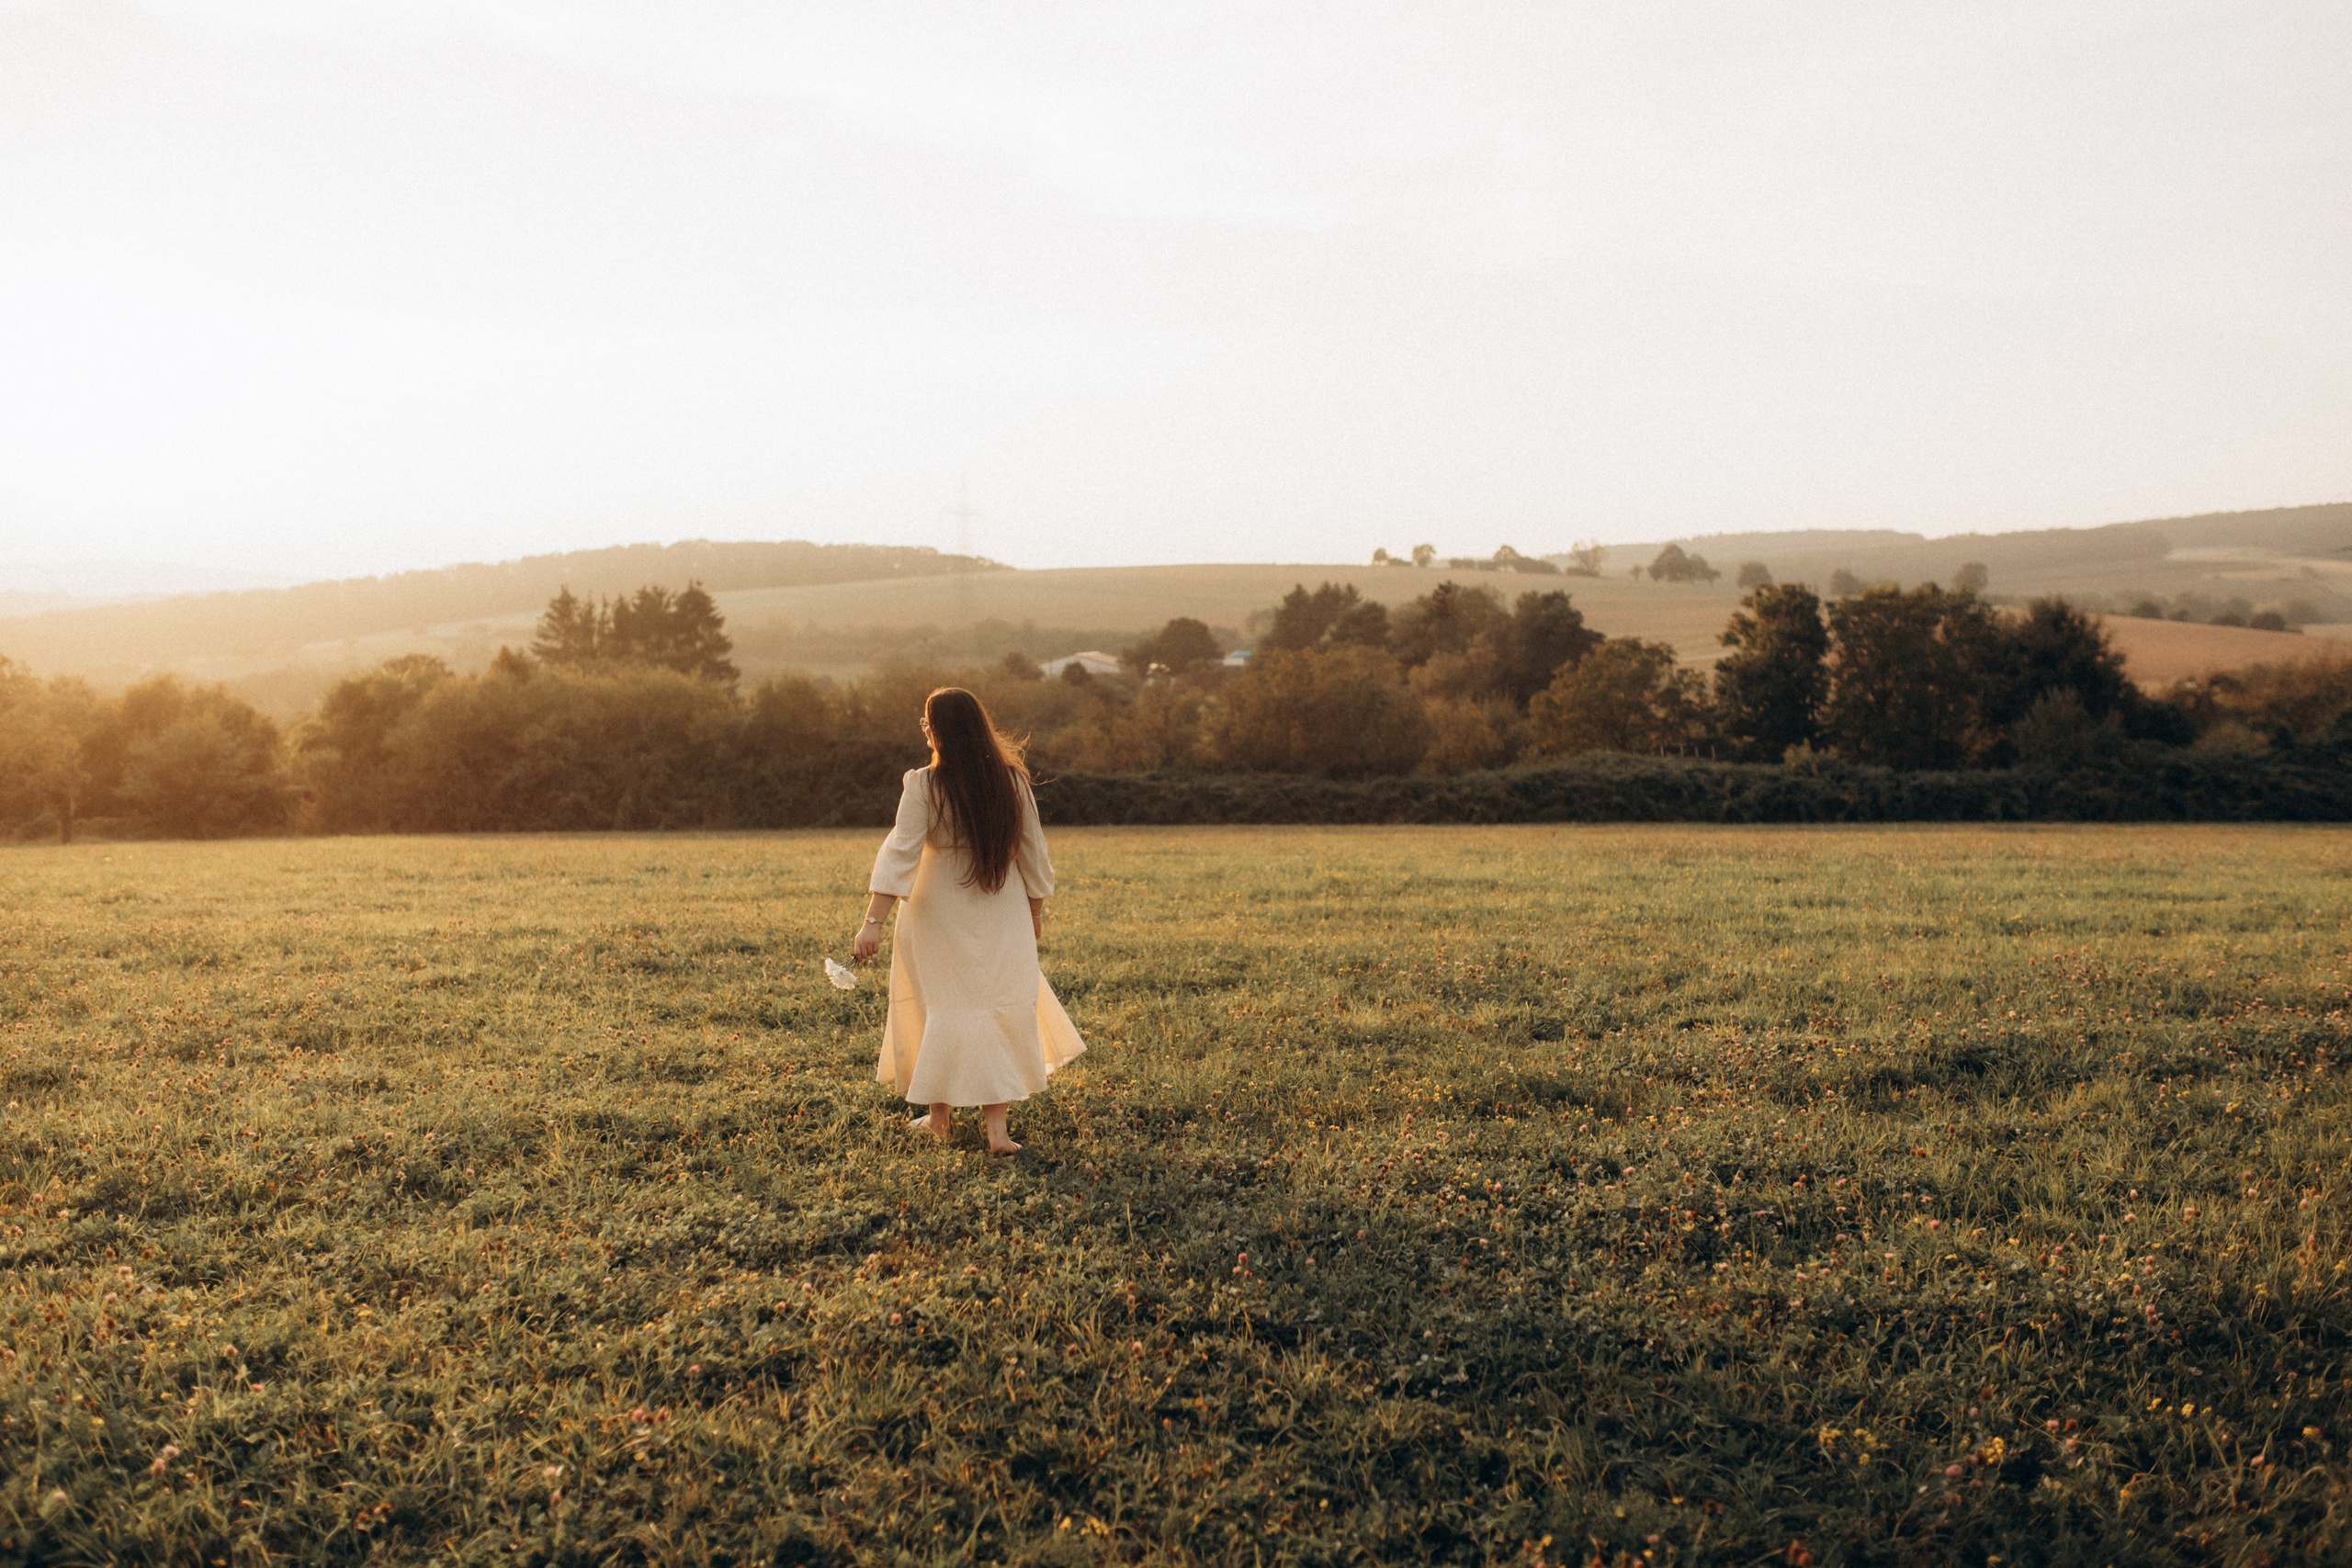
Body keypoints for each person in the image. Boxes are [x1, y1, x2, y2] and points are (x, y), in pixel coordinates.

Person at [853, 687, 1085, 1155]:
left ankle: (940, 1119)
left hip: (936, 906)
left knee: (940, 1007)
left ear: (938, 731)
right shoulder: (1012, 781)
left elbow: (901, 851)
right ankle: (997, 1133)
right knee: (993, 1005)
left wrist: (872, 921)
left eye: (926, 723)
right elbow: (1032, 850)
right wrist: (1035, 910)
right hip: (1002, 904)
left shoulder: (924, 784)